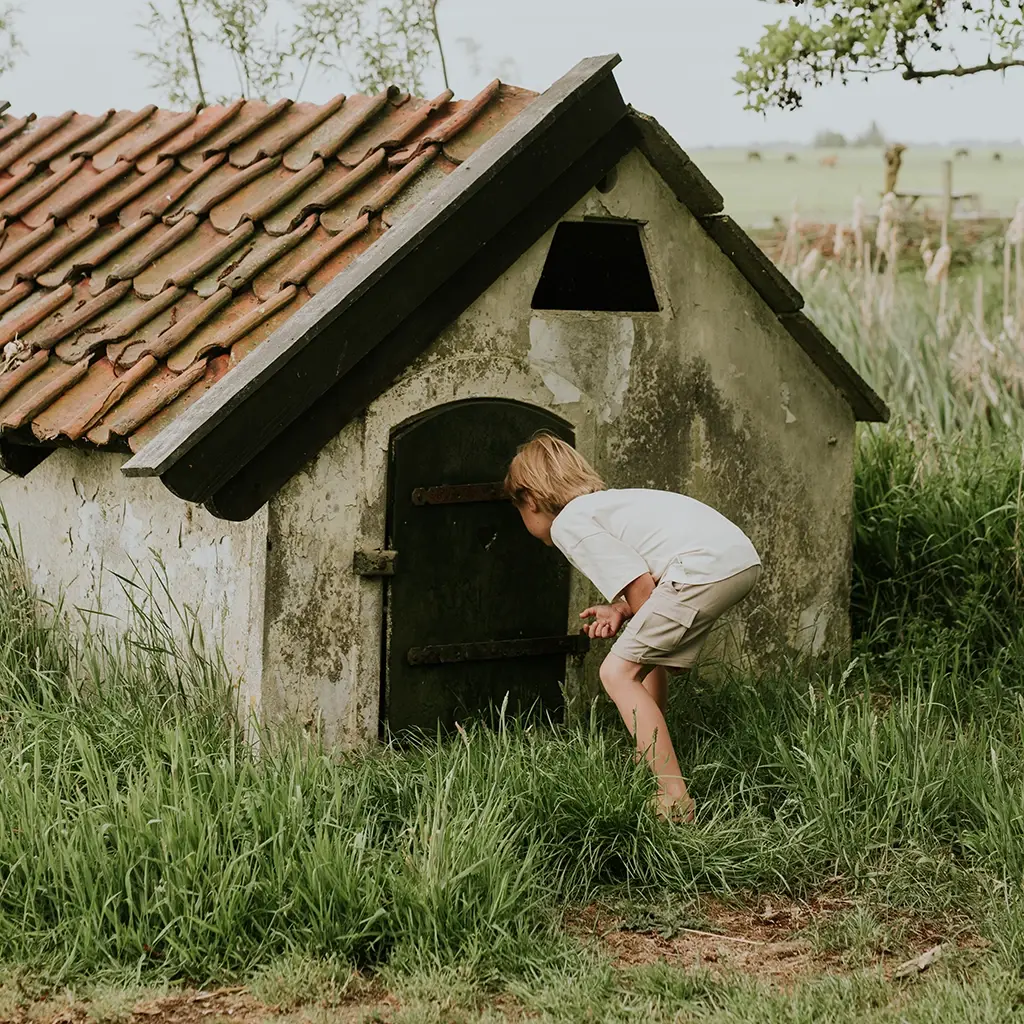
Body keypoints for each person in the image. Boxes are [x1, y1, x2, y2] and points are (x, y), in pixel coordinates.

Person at [504, 434, 761, 822]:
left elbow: (642, 588)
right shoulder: (607, 506)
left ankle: (673, 798)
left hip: (702, 568)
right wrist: (623, 611)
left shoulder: (569, 523)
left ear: (531, 501)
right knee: (636, 660)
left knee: (615, 671)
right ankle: (652, 755)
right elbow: (646, 585)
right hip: (737, 561)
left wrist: (655, 634)